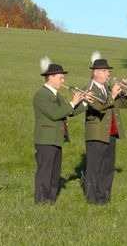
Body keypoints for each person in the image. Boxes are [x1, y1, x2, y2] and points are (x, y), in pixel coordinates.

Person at [33, 57, 87, 204]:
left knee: (54, 173)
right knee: (45, 172)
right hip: (45, 139)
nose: (63, 81)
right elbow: (55, 113)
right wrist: (73, 102)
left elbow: (70, 112)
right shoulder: (41, 95)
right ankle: (41, 202)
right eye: (60, 78)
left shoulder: (57, 95)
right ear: (50, 78)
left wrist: (85, 102)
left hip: (56, 139)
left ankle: (50, 201)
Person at [84, 51, 127, 204]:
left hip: (111, 133)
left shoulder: (107, 89)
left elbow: (124, 105)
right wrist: (112, 95)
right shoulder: (91, 89)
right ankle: (91, 199)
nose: (107, 74)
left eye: (108, 71)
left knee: (108, 168)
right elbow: (98, 107)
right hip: (97, 134)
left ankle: (104, 197)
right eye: (104, 71)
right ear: (95, 73)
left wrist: (123, 92)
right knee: (94, 168)